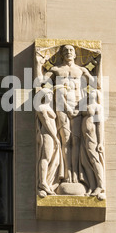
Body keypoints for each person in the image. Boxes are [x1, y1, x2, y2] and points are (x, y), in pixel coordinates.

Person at [44, 45, 95, 184]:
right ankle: (66, 173)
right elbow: (41, 82)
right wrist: (38, 63)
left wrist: (99, 63)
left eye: (71, 50)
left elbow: (96, 83)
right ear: (61, 54)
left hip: (78, 107)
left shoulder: (81, 70)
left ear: (75, 54)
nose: (68, 52)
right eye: (65, 50)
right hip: (62, 108)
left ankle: (76, 174)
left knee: (76, 141)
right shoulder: (56, 70)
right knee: (66, 141)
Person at [36, 88, 62, 196]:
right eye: (48, 94)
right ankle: (43, 182)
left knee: (54, 159)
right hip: (47, 135)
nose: (50, 96)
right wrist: (55, 137)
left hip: (52, 136)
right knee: (45, 157)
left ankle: (50, 182)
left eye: (51, 94)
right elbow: (46, 123)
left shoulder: (49, 107)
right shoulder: (41, 108)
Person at [80, 89, 105, 197]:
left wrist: (100, 142)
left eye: (93, 92)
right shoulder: (84, 105)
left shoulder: (98, 107)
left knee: (94, 159)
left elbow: (99, 125)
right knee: (85, 162)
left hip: (92, 136)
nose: (91, 93)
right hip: (84, 137)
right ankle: (92, 186)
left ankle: (100, 185)